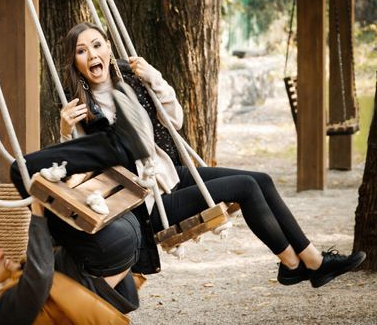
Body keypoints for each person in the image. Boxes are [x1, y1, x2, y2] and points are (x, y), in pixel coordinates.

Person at [46, 21, 366, 288]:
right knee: (245, 187)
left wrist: (154, 77)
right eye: (81, 50)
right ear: (75, 62)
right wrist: (64, 132)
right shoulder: (82, 111)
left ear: (108, 49)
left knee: (262, 180)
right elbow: (76, 170)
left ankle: (298, 266)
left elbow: (175, 121)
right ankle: (306, 262)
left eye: (97, 45)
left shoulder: (128, 85)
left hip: (172, 176)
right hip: (148, 203)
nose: (92, 54)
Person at [0, 199, 143, 324]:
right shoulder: (2, 313)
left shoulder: (9, 288)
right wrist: (38, 216)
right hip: (109, 257)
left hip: (113, 259)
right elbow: (40, 278)